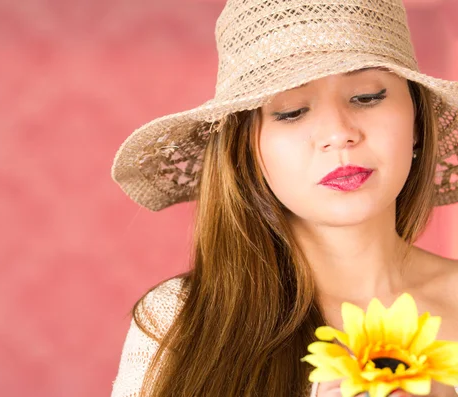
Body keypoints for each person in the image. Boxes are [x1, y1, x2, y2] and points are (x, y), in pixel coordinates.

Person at [109, 0, 458, 396]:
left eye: (367, 96)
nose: (338, 133)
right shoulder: (176, 319)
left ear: (416, 120)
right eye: (292, 112)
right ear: (247, 150)